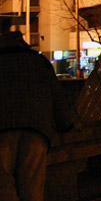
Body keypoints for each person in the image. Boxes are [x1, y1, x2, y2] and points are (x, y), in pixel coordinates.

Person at [0, 17, 74, 201]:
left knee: (4, 186)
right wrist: (67, 125)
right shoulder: (39, 61)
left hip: (3, 130)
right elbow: (57, 98)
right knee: (32, 188)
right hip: (36, 131)